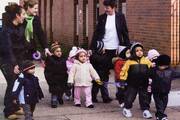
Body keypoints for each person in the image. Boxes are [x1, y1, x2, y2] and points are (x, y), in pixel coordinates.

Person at [90, 0, 130, 103]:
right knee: (102, 73)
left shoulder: (120, 17)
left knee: (119, 73)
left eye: (107, 7)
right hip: (104, 50)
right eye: (105, 7)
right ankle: (99, 96)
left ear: (113, 7)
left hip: (116, 50)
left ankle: (119, 95)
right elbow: (97, 33)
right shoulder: (102, 18)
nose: (105, 9)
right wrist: (93, 47)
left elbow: (125, 32)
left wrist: (127, 47)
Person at [0, 4, 27, 119]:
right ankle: (8, 111)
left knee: (18, 83)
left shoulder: (20, 26)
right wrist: (14, 64)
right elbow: (8, 49)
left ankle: (15, 107)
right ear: (17, 15)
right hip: (6, 60)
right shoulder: (7, 30)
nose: (25, 17)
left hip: (17, 59)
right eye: (23, 14)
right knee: (12, 83)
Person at [120, 42, 153, 119]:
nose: (139, 52)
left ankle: (145, 110)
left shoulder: (146, 61)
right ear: (133, 52)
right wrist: (122, 80)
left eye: (141, 50)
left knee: (144, 97)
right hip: (132, 83)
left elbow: (151, 70)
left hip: (144, 83)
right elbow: (124, 71)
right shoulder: (129, 62)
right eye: (137, 51)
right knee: (130, 97)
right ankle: (126, 108)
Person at [150, 55, 180, 120]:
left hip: (166, 91)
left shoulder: (171, 71)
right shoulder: (154, 70)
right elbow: (147, 73)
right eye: (161, 66)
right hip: (156, 91)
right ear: (158, 64)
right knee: (159, 104)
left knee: (164, 103)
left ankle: (160, 113)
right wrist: (150, 66)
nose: (163, 67)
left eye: (165, 66)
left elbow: (178, 73)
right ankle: (160, 116)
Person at [44, 42, 68, 108]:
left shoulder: (63, 59)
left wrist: (66, 76)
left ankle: (59, 97)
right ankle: (54, 99)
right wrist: (49, 78)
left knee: (61, 89)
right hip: (53, 77)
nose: (59, 53)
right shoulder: (50, 59)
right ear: (53, 52)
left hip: (62, 77)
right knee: (54, 90)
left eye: (60, 51)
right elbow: (47, 70)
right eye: (57, 51)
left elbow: (65, 68)